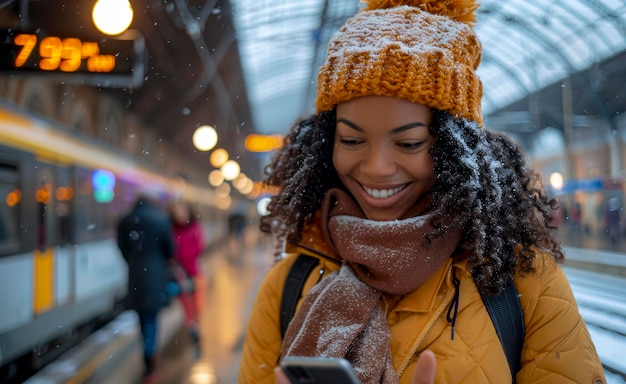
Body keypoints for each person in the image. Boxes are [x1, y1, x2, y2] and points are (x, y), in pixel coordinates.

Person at [238, 0, 606, 383]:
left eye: (409, 143)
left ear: (455, 150)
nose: (377, 167)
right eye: (351, 139)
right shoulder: (285, 287)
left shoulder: (525, 283)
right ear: (326, 143)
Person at [117, 191, 175, 381]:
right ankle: (150, 357)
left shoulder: (125, 221)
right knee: (152, 316)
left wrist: (134, 261)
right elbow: (170, 249)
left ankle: (147, 353)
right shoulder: (161, 220)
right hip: (156, 274)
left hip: (135, 274)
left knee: (142, 316)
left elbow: (122, 247)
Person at [168, 198, 205, 348]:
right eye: (177, 212)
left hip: (194, 272)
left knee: (198, 304)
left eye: (182, 211)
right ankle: (192, 328)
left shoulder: (195, 227)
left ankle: (195, 325)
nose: (180, 214)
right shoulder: (171, 229)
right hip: (179, 274)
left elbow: (198, 248)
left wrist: (182, 256)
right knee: (186, 305)